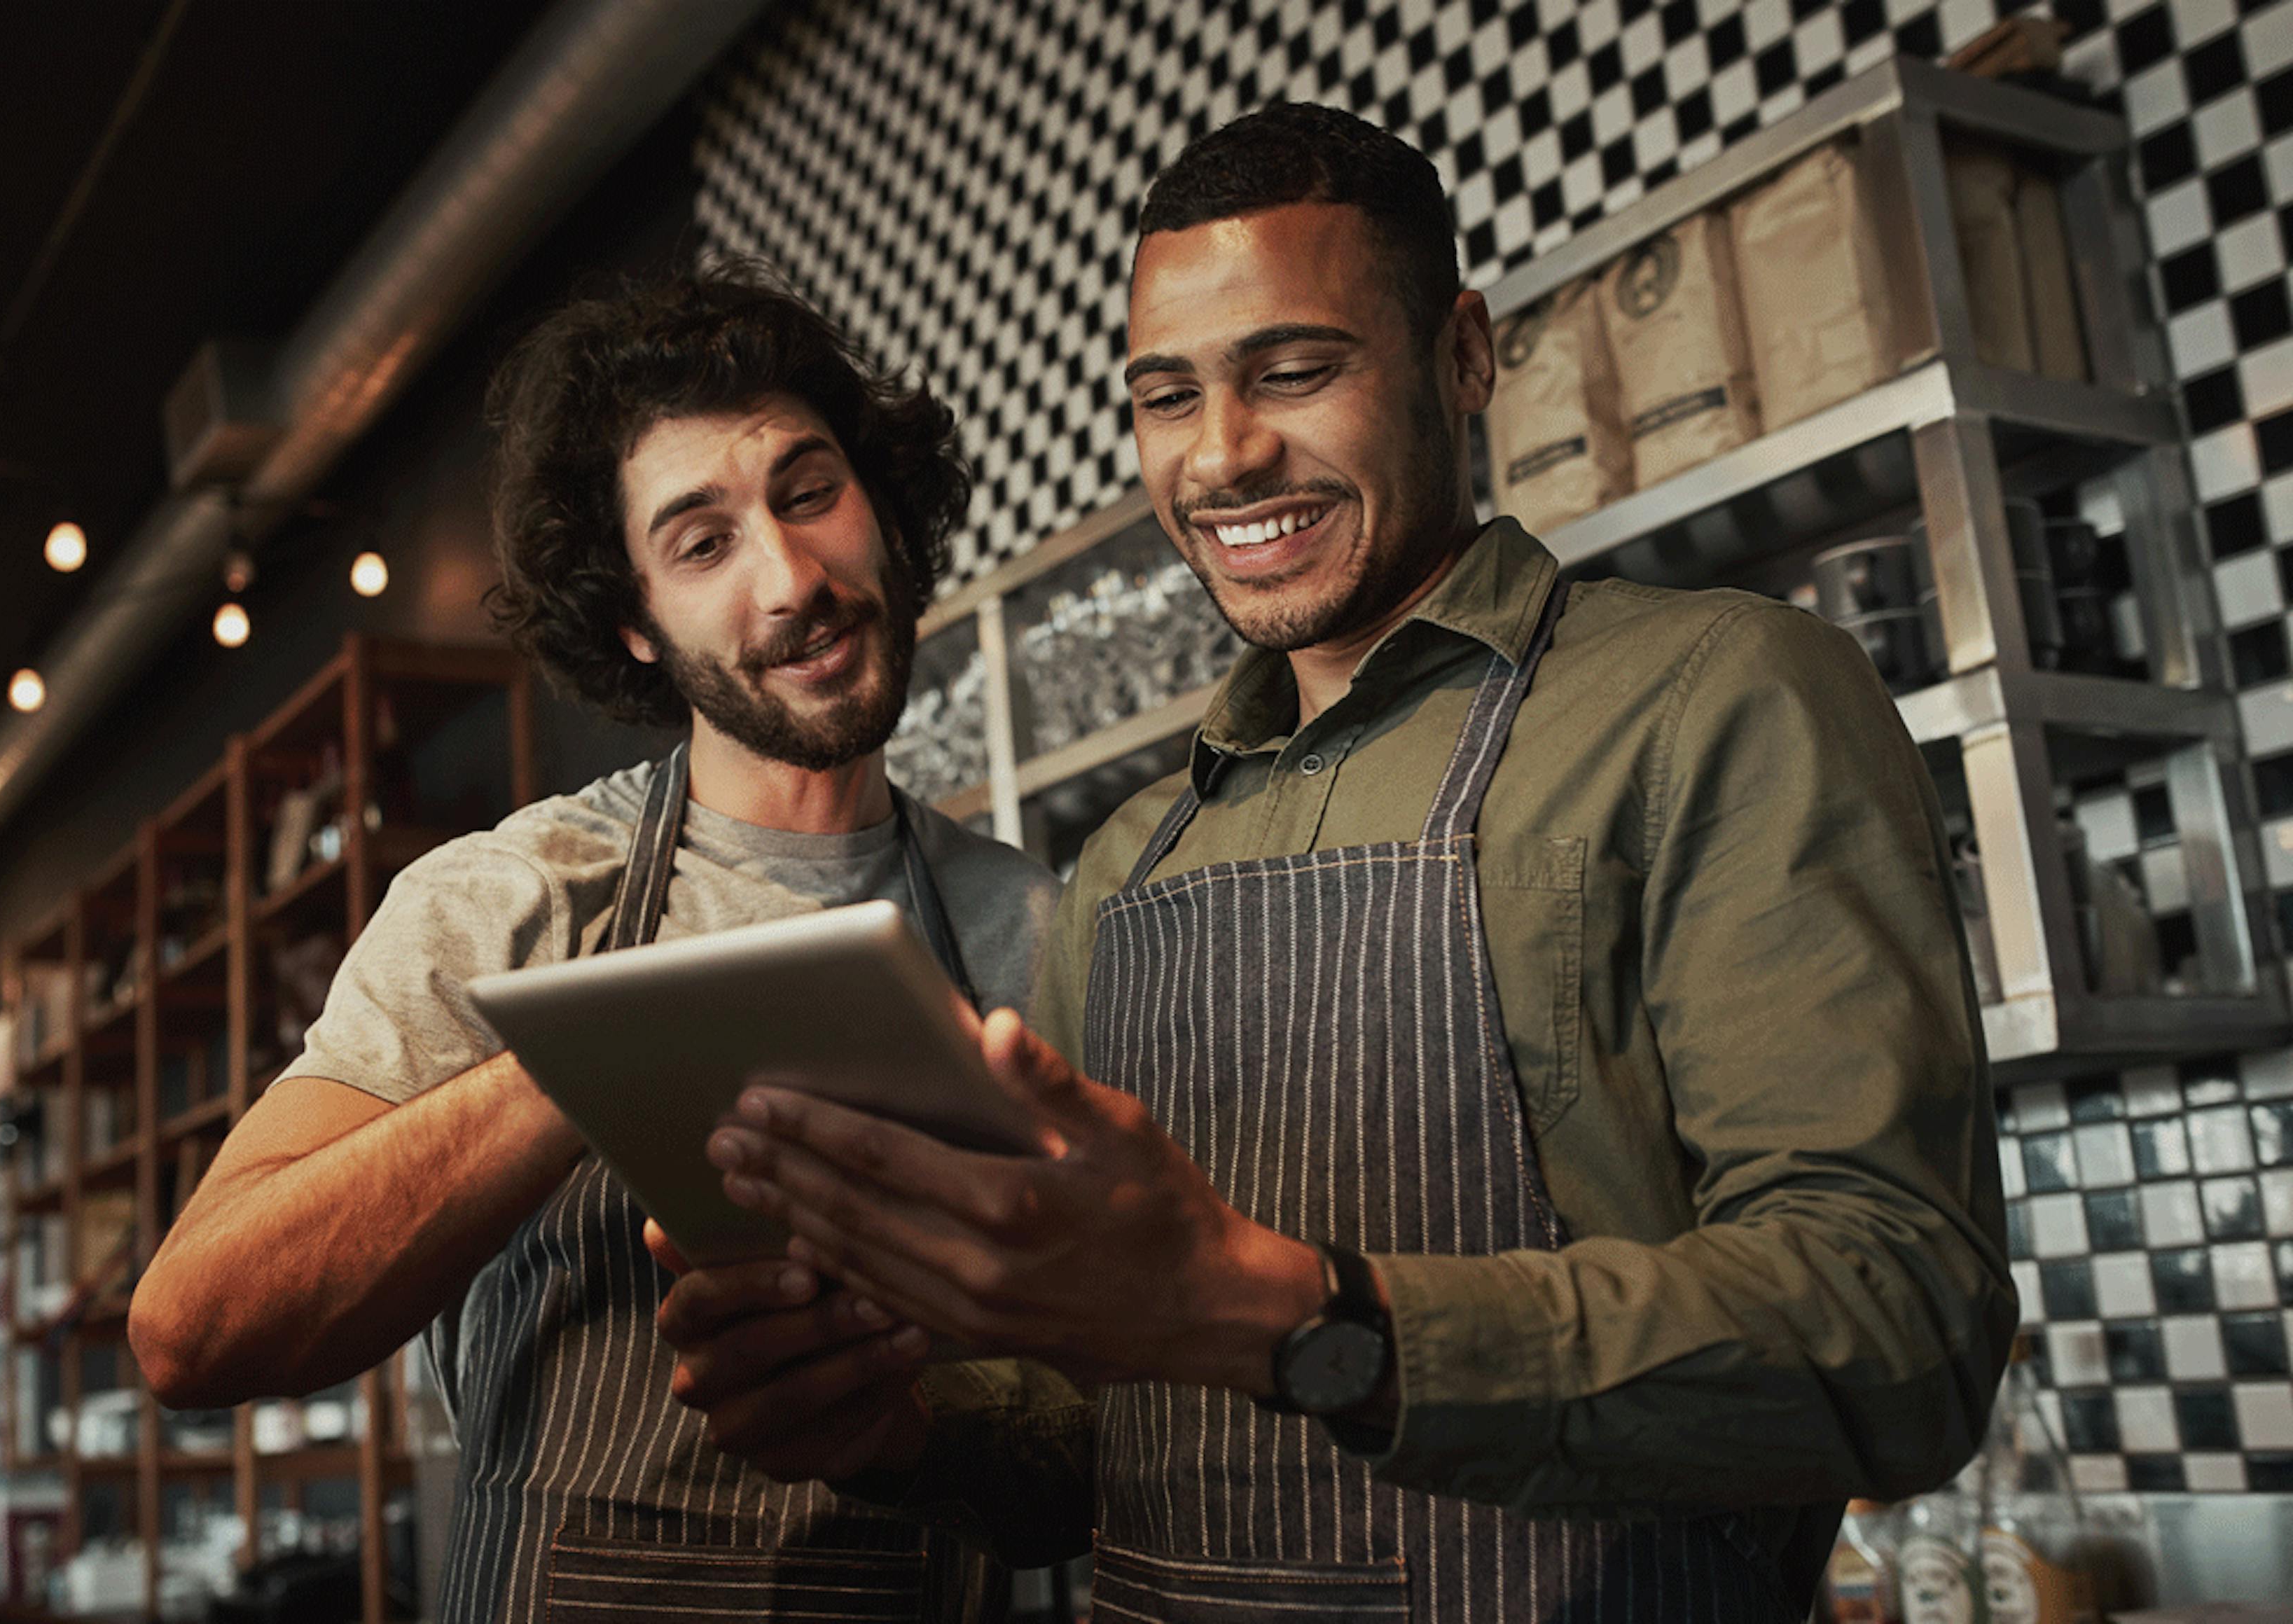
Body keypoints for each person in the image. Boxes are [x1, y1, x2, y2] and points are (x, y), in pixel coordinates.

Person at [654, 103, 2016, 1620]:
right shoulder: (1124, 864)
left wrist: (1300, 1316)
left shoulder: (1716, 700)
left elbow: (1901, 1325)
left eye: (1293, 371)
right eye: (1167, 396)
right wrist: (901, 1428)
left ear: (1463, 354)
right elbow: (1116, 1435)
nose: (1224, 454)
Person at [127, 263, 1058, 1624]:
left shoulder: (1029, 927)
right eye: (701, 542)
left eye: (809, 491)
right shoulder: (508, 899)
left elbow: (1102, 1449)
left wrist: (907, 1428)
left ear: (886, 512)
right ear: (633, 619)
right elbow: (194, 1325)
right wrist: (594, 1050)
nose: (790, 576)